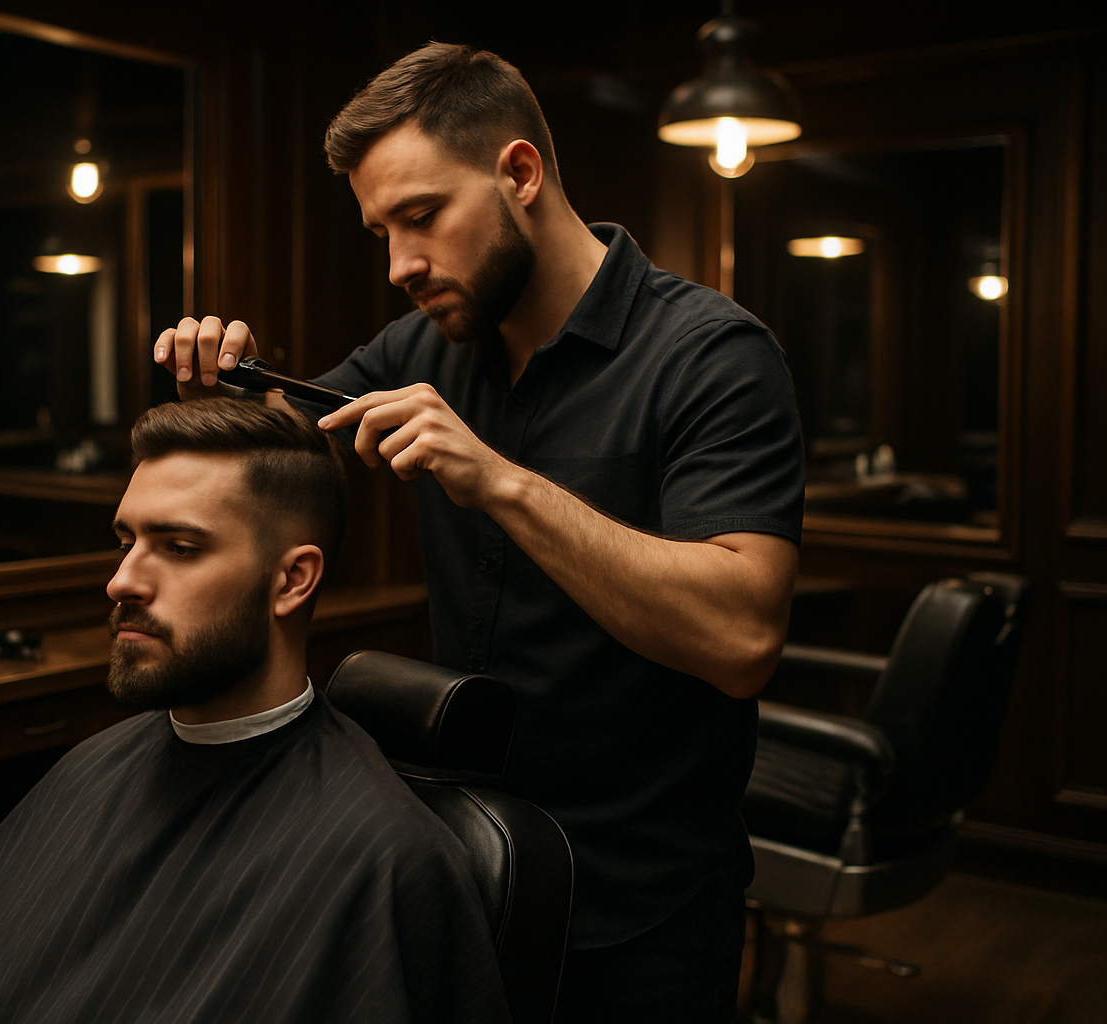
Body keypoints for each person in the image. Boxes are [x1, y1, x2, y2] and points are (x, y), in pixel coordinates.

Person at [156, 42, 805, 1023]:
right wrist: (226, 387)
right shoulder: (427, 345)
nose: (400, 265)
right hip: (462, 862)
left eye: (421, 217)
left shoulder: (712, 357)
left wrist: (502, 482)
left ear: (519, 173)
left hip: (644, 903)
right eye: (381, 231)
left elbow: (742, 638)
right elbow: (292, 434)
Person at [0, 397, 511, 1024]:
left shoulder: (382, 857)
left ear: (292, 581)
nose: (122, 581)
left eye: (180, 547)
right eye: (126, 542)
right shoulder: (97, 766)